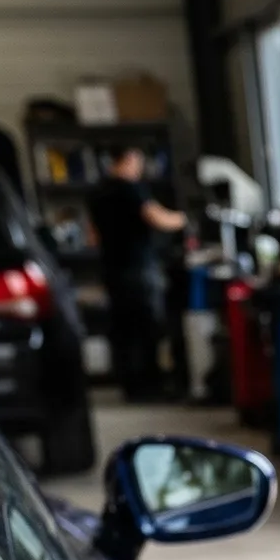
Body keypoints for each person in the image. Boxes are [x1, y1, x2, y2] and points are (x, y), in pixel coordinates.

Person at [89, 146, 187, 401]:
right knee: (146, 328)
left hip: (112, 268)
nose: (140, 168)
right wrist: (184, 220)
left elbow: (92, 236)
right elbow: (155, 217)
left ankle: (131, 386)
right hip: (137, 267)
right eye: (138, 162)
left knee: (123, 330)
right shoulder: (130, 188)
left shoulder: (97, 191)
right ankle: (150, 387)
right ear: (130, 159)